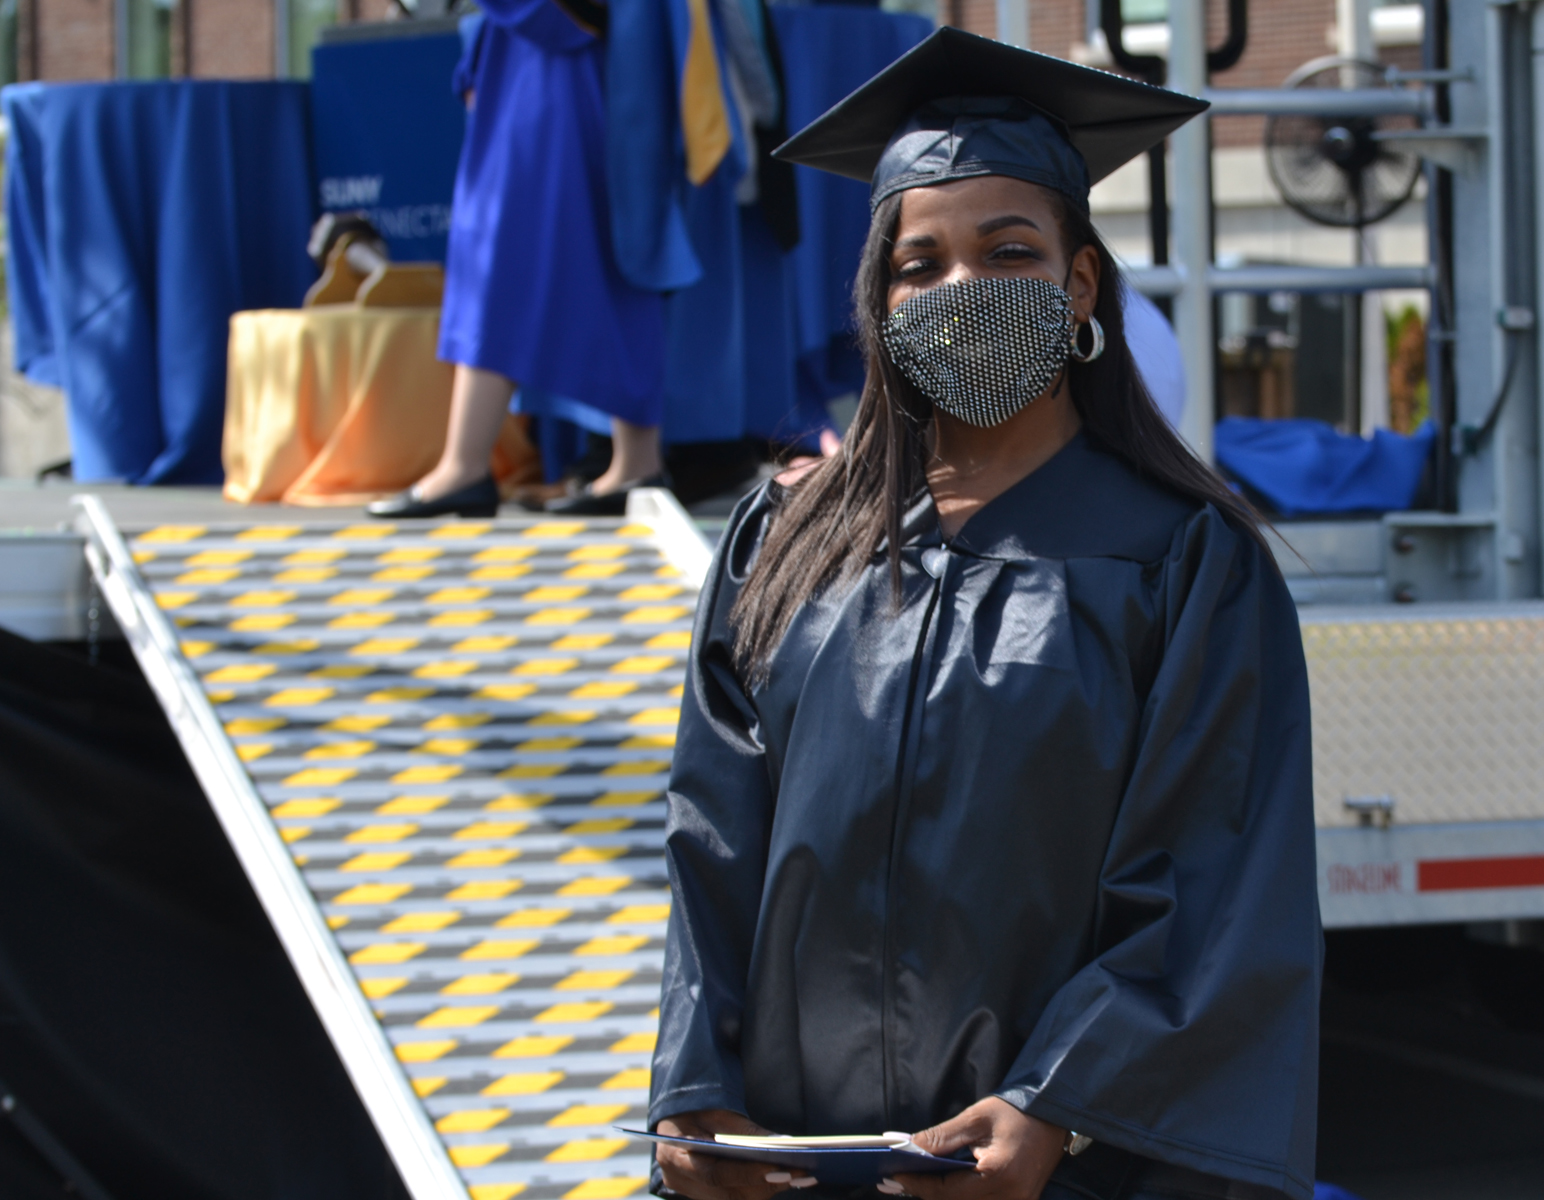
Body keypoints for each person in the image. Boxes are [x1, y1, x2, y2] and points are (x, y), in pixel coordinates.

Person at [647, 28, 1322, 1200]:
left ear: (1076, 288)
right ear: (881, 297)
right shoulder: (788, 543)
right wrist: (694, 1088)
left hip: (1051, 1169)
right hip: (798, 1165)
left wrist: (1055, 1102)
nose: (961, 290)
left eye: (1009, 251)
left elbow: (1211, 882)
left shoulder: (1178, 561)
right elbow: (714, 841)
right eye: (921, 263)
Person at [368, 0, 674, 520]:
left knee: (507, 258)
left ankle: (467, 465)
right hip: (571, 58)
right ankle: (634, 461)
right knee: (600, 250)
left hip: (559, 61)